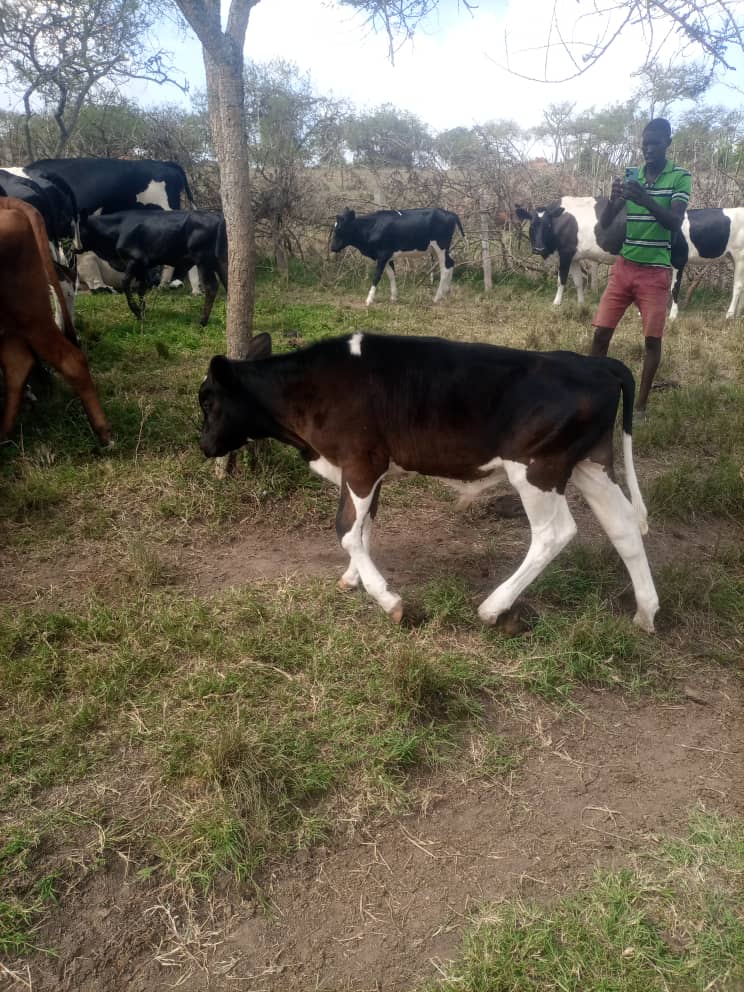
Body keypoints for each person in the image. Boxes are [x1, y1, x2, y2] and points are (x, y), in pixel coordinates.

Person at [590, 118, 691, 412]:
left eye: (655, 143)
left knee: (651, 342)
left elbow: (674, 221)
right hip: (623, 267)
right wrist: (613, 201)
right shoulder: (631, 174)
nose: (648, 149)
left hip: (656, 273)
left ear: (668, 144)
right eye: (644, 143)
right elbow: (607, 222)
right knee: (600, 334)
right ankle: (592, 393)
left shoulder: (680, 177)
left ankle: (641, 406)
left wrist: (645, 199)